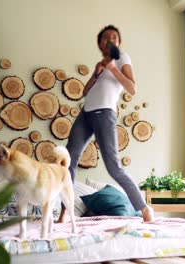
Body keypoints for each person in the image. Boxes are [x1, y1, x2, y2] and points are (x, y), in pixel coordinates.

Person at [58, 25, 154, 223]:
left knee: (113, 166)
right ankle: (65, 212)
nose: (110, 39)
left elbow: (132, 88)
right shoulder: (101, 64)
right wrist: (96, 73)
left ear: (118, 43)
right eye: (106, 37)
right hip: (86, 114)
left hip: (104, 113)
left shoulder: (122, 58)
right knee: (68, 160)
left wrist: (112, 68)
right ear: (100, 43)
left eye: (114, 37)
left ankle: (144, 209)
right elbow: (84, 92)